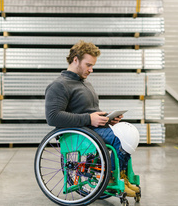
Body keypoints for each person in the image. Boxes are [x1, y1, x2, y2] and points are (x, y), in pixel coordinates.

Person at [45, 40, 139, 197]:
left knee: (130, 131)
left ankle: (120, 176)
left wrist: (107, 119)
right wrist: (89, 119)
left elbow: (89, 111)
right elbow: (53, 117)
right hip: (81, 132)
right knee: (123, 138)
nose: (91, 69)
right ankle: (110, 179)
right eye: (88, 65)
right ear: (75, 59)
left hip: (93, 129)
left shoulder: (84, 83)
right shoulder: (59, 85)